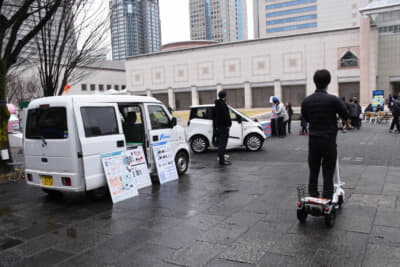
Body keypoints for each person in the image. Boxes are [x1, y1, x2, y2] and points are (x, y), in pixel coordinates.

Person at [301, 69, 348, 199]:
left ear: (314, 82)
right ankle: (327, 197)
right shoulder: (333, 100)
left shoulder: (307, 101)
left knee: (313, 170)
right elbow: (345, 114)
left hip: (314, 140)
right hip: (329, 140)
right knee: (328, 171)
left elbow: (306, 118)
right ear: (328, 82)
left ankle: (313, 195)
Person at [214, 90, 232, 166]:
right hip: (224, 127)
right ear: (224, 97)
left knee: (221, 143)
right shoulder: (223, 105)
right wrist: (228, 124)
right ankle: (222, 161)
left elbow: (216, 117)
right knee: (223, 144)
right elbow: (225, 117)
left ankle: (221, 158)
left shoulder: (217, 104)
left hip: (219, 127)